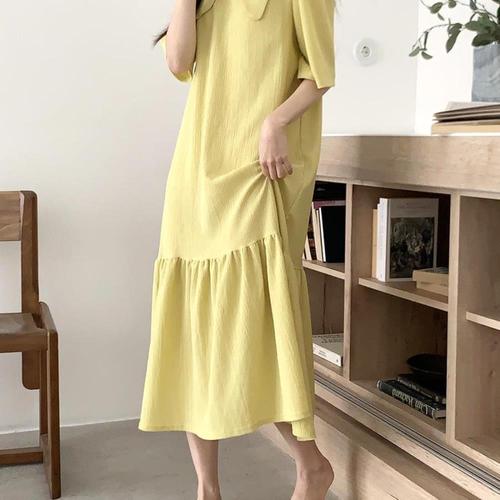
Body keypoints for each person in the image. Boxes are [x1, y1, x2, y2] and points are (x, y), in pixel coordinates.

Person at [139, 0, 336, 498]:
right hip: (195, 171)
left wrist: (275, 123)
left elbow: (320, 72)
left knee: (263, 325)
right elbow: (178, 62)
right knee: (194, 326)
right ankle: (207, 488)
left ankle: (311, 466)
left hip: (258, 168)